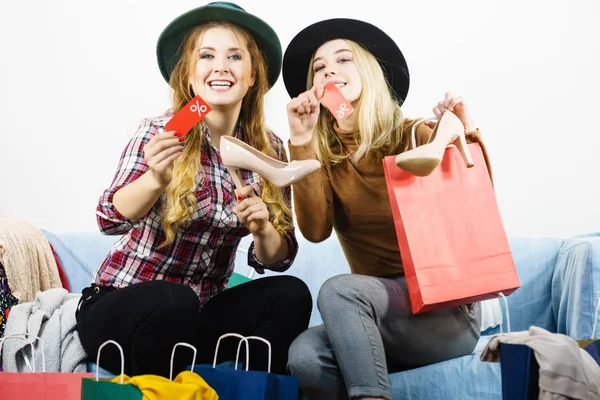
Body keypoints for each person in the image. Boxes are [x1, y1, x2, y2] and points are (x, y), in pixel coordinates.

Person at [76, 2, 312, 378]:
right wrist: (154, 179)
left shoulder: (269, 149)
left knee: (290, 294)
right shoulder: (160, 132)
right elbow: (109, 219)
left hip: (198, 317)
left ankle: (248, 389)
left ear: (252, 77)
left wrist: (264, 228)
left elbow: (277, 258)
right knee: (174, 300)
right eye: (207, 55)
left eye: (235, 56)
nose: (221, 66)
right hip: (124, 309)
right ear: (189, 75)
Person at [283, 18, 493, 400]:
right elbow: (315, 231)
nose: (329, 69)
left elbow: (478, 203)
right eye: (318, 66)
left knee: (340, 291)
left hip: (444, 314)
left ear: (370, 71)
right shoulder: (326, 157)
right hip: (376, 314)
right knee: (305, 359)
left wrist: (464, 129)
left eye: (344, 59)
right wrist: (301, 140)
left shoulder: (413, 135)